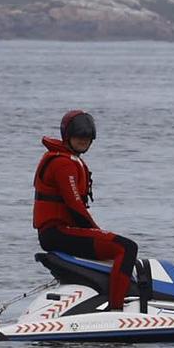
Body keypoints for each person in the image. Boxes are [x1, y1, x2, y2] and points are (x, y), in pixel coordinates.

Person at [33, 109, 146, 313]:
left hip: (60, 232)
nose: (83, 140)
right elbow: (75, 206)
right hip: (56, 233)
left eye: (87, 136)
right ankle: (116, 310)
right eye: (78, 135)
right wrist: (96, 231)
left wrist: (97, 234)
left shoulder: (67, 159)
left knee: (117, 248)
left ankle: (104, 300)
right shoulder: (62, 164)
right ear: (67, 135)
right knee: (126, 248)